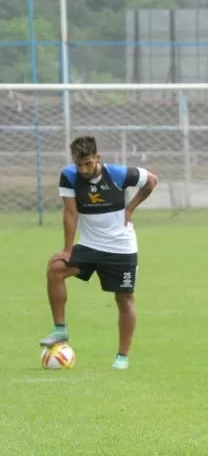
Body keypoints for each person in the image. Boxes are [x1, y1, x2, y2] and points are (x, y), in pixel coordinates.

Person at [40, 136, 159, 369]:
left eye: (88, 163)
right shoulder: (69, 176)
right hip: (90, 245)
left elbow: (152, 181)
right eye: (79, 164)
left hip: (121, 248)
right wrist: (67, 249)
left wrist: (130, 208)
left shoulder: (117, 174)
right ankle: (60, 330)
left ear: (98, 158)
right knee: (55, 269)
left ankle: (122, 357)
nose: (83, 169)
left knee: (124, 298)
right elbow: (70, 213)